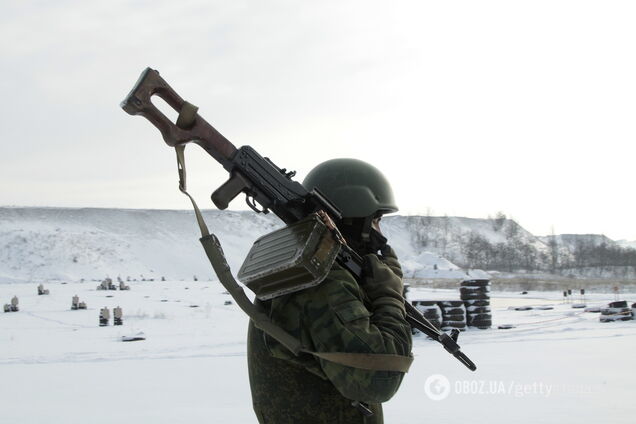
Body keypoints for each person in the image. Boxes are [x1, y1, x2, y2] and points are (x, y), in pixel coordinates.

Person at [247, 158, 412, 424]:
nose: (380, 234)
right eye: (376, 220)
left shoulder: (303, 266)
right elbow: (380, 379)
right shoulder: (322, 282)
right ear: (353, 217)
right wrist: (390, 297)